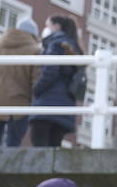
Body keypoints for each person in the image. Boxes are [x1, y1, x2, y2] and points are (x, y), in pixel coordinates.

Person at [0, 18, 39, 148]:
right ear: (33, 35)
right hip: (20, 106)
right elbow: (37, 83)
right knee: (13, 145)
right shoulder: (35, 51)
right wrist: (33, 108)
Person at [28, 15, 82, 148]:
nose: (46, 29)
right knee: (54, 146)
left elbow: (50, 71)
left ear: (57, 26)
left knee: (38, 142)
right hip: (65, 105)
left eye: (48, 25)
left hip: (48, 102)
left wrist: (36, 89)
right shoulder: (75, 47)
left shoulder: (56, 43)